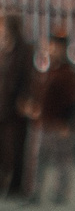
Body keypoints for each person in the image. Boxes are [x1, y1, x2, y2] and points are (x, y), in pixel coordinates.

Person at [23, 28, 75, 205]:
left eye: (54, 46)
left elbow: (74, 101)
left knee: (61, 162)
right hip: (43, 123)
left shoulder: (67, 73)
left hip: (58, 125)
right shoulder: (48, 71)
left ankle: (60, 193)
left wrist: (68, 123)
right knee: (37, 162)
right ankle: (34, 192)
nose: (51, 49)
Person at [0, 10, 31, 201]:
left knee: (16, 149)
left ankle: (17, 185)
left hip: (15, 109)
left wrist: (23, 99)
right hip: (2, 106)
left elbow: (26, 78)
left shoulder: (24, 51)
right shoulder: (5, 50)